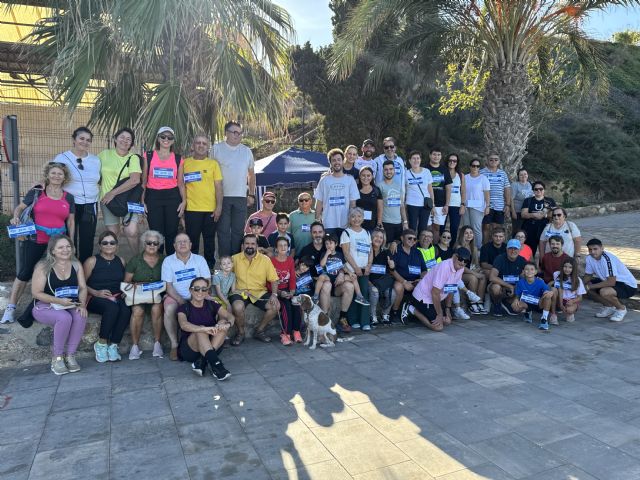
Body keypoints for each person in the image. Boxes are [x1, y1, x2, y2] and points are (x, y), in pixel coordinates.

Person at [3, 162, 75, 324]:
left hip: (58, 243)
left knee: (55, 275)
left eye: (60, 174)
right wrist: (15, 217)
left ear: (65, 177)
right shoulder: (37, 192)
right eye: (53, 173)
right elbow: (20, 208)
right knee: (25, 272)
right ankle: (11, 308)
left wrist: (71, 242)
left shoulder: (68, 197)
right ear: (48, 174)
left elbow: (71, 222)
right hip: (37, 238)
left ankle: (45, 308)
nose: (56, 176)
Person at [31, 235, 88, 375]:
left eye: (68, 246)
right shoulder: (43, 266)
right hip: (45, 305)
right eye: (61, 247)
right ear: (52, 251)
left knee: (81, 316)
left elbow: (82, 287)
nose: (65, 250)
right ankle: (57, 358)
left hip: (68, 304)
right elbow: (36, 293)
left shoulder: (76, 264)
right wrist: (59, 301)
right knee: (64, 318)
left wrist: (82, 305)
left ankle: (70, 356)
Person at [54, 126, 101, 263]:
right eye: (81, 138)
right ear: (74, 139)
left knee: (87, 238)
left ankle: (84, 271)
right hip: (69, 204)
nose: (85, 142)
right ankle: (68, 268)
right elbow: (52, 177)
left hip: (90, 204)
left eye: (88, 140)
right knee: (68, 238)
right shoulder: (62, 158)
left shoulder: (95, 160)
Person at [161, 233, 212, 360]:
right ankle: (174, 344)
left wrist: (198, 296)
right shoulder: (168, 261)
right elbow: (168, 286)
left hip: (199, 294)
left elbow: (207, 281)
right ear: (174, 246)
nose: (182, 244)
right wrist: (180, 300)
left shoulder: (199, 259)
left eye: (185, 241)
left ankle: (215, 338)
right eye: (179, 242)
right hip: (176, 296)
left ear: (190, 244)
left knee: (215, 304)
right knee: (169, 309)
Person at [84, 231, 130, 363]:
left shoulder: (121, 261)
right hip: (95, 297)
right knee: (112, 308)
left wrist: (125, 291)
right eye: (105, 243)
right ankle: (101, 343)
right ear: (100, 246)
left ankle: (114, 345)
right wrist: (96, 293)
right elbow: (81, 284)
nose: (109, 245)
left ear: (116, 245)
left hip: (117, 296)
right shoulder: (92, 261)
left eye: (112, 242)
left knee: (126, 310)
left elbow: (125, 282)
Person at [178, 134, 223, 268]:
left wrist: (219, 207)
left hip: (210, 210)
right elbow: (180, 185)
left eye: (204, 143)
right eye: (198, 143)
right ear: (193, 146)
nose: (201, 145)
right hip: (191, 209)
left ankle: (209, 268)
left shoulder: (213, 164)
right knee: (192, 242)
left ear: (208, 147)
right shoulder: (185, 163)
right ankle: (192, 268)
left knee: (209, 241)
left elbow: (218, 186)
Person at [177, 277, 235, 380]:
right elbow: (183, 325)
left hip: (212, 346)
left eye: (204, 289)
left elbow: (230, 317)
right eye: (197, 288)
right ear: (191, 290)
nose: (200, 292)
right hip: (191, 350)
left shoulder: (211, 304)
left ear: (207, 291)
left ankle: (203, 361)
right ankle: (217, 366)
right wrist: (204, 329)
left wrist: (228, 324)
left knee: (222, 322)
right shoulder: (184, 308)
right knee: (200, 329)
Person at [213, 120, 256, 256]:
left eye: (240, 133)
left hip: (240, 196)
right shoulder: (216, 149)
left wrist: (252, 194)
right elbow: (210, 173)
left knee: (238, 231)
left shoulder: (246, 151)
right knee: (223, 231)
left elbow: (251, 174)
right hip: (222, 197)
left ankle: (237, 262)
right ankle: (225, 263)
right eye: (234, 132)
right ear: (226, 133)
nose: (238, 135)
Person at [141, 126, 185, 255]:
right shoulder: (148, 155)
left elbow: (181, 183)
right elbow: (143, 181)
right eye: (163, 136)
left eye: (169, 137)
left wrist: (184, 201)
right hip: (153, 197)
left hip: (172, 197)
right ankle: (158, 262)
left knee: (171, 232)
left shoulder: (178, 158)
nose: (166, 139)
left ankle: (171, 262)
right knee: (156, 233)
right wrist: (142, 201)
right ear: (158, 138)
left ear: (173, 140)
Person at [229, 234, 280, 344]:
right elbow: (226, 275)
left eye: (253, 243)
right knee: (237, 307)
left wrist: (274, 295)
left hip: (258, 292)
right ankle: (241, 333)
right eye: (247, 243)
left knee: (275, 306)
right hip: (239, 291)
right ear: (243, 245)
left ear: (257, 245)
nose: (250, 246)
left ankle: (259, 330)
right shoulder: (234, 259)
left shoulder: (265, 260)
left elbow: (274, 279)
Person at [123, 230, 166, 360]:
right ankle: (135, 346)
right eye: (149, 243)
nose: (152, 245)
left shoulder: (164, 260)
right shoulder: (135, 260)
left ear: (159, 245)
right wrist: (135, 285)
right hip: (139, 295)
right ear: (143, 244)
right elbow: (126, 282)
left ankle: (157, 343)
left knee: (157, 308)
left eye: (155, 243)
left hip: (157, 295)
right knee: (137, 311)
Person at [98, 127, 142, 252]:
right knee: (112, 233)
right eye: (122, 137)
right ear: (115, 139)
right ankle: (112, 260)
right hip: (107, 201)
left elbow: (135, 180)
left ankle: (136, 259)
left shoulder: (133, 158)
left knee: (131, 231)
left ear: (131, 143)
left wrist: (113, 192)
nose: (125, 140)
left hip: (129, 200)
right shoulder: (104, 155)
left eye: (129, 139)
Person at [409, 248, 470, 331]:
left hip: (435, 299)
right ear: (454, 256)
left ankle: (425, 313)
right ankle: (410, 308)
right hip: (423, 298)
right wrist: (439, 314)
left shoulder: (460, 269)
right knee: (438, 327)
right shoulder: (444, 267)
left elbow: (451, 289)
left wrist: (447, 309)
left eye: (466, 261)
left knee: (447, 321)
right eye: (460, 259)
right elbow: (434, 292)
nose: (463, 262)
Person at [312, 233, 359, 333]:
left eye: (331, 243)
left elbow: (343, 267)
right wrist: (326, 254)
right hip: (327, 282)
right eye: (327, 243)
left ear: (336, 244)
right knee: (326, 284)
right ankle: (324, 319)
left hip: (338, 285)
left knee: (350, 286)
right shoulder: (323, 254)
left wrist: (347, 273)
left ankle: (343, 318)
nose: (329, 245)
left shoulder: (340, 255)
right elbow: (322, 264)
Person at [584, 238, 638, 322]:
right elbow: (588, 275)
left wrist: (589, 286)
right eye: (590, 249)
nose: (592, 252)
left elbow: (611, 282)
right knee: (584, 287)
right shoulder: (589, 258)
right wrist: (580, 284)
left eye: (595, 249)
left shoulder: (607, 259)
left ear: (602, 248)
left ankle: (621, 309)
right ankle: (609, 307)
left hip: (627, 285)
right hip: (610, 281)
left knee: (604, 291)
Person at [314, 148, 360, 236]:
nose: (337, 162)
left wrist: (352, 221)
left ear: (343, 161)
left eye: (339, 160)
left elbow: (353, 203)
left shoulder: (350, 180)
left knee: (345, 250)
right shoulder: (324, 180)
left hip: (346, 224)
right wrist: (317, 220)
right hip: (328, 224)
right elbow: (319, 202)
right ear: (330, 163)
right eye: (334, 160)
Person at [341, 208, 373, 331]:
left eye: (359, 216)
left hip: (365, 269)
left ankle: (365, 321)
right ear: (349, 218)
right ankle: (353, 320)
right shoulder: (347, 233)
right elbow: (346, 253)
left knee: (364, 294)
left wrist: (369, 265)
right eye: (353, 216)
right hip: (352, 270)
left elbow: (370, 251)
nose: (356, 219)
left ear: (363, 218)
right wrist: (355, 267)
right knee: (354, 294)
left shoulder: (367, 233)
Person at [270, 237, 302, 345]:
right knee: (285, 306)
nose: (283, 247)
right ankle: (285, 333)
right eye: (280, 245)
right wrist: (279, 292)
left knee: (296, 303)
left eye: (285, 245)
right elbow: (268, 281)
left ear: (288, 247)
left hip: (288, 289)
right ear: (276, 248)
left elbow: (292, 277)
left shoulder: (290, 260)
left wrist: (292, 292)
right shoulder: (271, 261)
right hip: (276, 290)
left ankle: (296, 331)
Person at [390, 229, 426, 323]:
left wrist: (421, 279)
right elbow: (392, 270)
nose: (412, 241)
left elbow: (424, 270)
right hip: (400, 280)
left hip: (415, 280)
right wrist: (404, 282)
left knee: (425, 284)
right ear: (402, 238)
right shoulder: (396, 249)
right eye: (409, 238)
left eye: (414, 239)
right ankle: (394, 313)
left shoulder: (417, 252)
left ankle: (416, 312)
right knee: (398, 287)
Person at [510, 262, 555, 331]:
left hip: (539, 304)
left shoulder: (540, 282)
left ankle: (544, 319)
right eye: (527, 269)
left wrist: (549, 292)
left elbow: (547, 291)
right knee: (515, 307)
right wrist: (515, 300)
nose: (529, 271)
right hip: (526, 303)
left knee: (547, 296)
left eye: (532, 269)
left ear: (535, 272)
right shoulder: (520, 282)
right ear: (523, 271)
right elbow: (517, 295)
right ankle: (527, 312)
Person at [489, 238, 527, 316]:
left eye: (515, 248)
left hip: (515, 288)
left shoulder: (522, 260)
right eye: (510, 248)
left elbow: (527, 277)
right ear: (506, 249)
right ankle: (497, 304)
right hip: (502, 287)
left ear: (519, 250)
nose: (513, 251)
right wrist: (509, 286)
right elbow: (492, 277)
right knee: (496, 287)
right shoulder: (499, 258)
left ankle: (508, 303)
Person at [456, 225, 488, 314]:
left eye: (471, 233)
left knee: (483, 276)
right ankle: (472, 304)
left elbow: (476, 265)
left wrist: (478, 271)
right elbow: (460, 266)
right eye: (466, 233)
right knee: (473, 278)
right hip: (458, 273)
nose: (469, 235)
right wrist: (475, 273)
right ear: (462, 235)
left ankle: (479, 302)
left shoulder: (473, 248)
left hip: (468, 271)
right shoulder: (459, 248)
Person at [480, 154, 511, 244]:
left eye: (496, 160)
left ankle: (496, 247)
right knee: (485, 227)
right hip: (486, 205)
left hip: (499, 205)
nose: (493, 161)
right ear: (487, 160)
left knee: (497, 228)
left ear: (499, 161)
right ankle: (485, 247)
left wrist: (508, 205)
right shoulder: (482, 172)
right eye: (491, 159)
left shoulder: (502, 173)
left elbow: (507, 189)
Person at [520, 181, 556, 257]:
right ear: (533, 190)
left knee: (545, 252)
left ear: (544, 190)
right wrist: (533, 215)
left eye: (541, 189)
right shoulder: (528, 200)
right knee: (529, 252)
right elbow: (523, 214)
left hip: (545, 228)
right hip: (530, 229)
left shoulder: (550, 201)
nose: (538, 191)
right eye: (536, 189)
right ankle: (528, 267)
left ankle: (543, 267)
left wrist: (544, 215)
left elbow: (554, 214)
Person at [368, 229, 396, 325]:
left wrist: (392, 265)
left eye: (381, 237)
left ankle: (385, 315)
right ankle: (372, 315)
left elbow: (392, 268)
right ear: (371, 238)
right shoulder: (367, 250)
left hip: (382, 283)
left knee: (392, 294)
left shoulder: (386, 252)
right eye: (376, 236)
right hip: (369, 282)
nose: (378, 239)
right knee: (374, 291)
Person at [426, 147, 452, 243]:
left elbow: (448, 188)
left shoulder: (444, 170)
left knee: (436, 229)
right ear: (430, 155)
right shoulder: (425, 169)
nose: (436, 157)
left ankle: (435, 249)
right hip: (427, 203)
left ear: (441, 157)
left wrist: (447, 204)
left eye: (438, 155)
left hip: (441, 204)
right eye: (434, 154)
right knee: (427, 228)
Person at [405, 150, 434, 236]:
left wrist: (433, 205)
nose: (416, 160)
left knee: (423, 228)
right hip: (411, 204)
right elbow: (405, 190)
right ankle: (412, 247)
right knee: (412, 227)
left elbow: (430, 190)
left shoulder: (426, 172)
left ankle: (421, 248)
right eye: (413, 158)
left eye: (418, 158)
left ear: (421, 160)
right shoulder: (406, 173)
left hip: (425, 205)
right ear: (409, 161)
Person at [463, 158, 490, 248]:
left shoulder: (483, 178)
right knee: (466, 228)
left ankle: (477, 249)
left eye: (477, 166)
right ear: (470, 166)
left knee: (476, 229)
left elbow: (487, 194)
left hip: (478, 208)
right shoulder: (465, 177)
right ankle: (466, 247)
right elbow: (462, 191)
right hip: (466, 206)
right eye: (473, 166)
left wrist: (487, 206)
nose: (475, 167)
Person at [379, 159, 407, 243]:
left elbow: (401, 205)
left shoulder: (398, 185)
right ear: (383, 171)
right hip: (386, 222)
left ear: (394, 170)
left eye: (391, 169)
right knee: (387, 249)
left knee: (397, 248)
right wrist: (379, 223)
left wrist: (405, 222)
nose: (388, 172)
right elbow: (378, 207)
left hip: (398, 223)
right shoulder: (380, 186)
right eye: (386, 169)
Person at [553, 257, 586, 323]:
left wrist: (573, 301)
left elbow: (580, 298)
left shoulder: (577, 280)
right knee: (553, 290)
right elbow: (559, 289)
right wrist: (561, 304)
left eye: (570, 267)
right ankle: (553, 314)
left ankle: (570, 311)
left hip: (570, 300)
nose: (567, 269)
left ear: (574, 268)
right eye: (565, 266)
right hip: (559, 298)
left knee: (569, 310)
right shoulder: (556, 274)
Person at [444, 153, 466, 245]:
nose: (452, 162)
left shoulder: (460, 175)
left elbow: (463, 191)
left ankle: (451, 247)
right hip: (443, 204)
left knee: (454, 228)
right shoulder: (442, 172)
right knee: (441, 227)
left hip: (456, 205)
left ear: (457, 162)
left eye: (455, 161)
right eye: (450, 160)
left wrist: (462, 205)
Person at [356, 166, 383, 232]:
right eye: (363, 175)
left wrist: (379, 223)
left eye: (368, 175)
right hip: (357, 226)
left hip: (372, 227)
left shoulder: (376, 190)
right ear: (360, 176)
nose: (366, 178)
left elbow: (380, 208)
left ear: (372, 177)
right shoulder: (355, 189)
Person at [510, 168, 533, 235]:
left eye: (525, 174)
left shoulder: (530, 184)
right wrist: (513, 212)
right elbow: (511, 199)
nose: (523, 176)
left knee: (525, 230)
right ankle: (514, 244)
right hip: (517, 211)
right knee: (517, 230)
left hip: (527, 212)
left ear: (527, 175)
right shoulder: (515, 185)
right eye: (521, 175)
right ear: (518, 176)